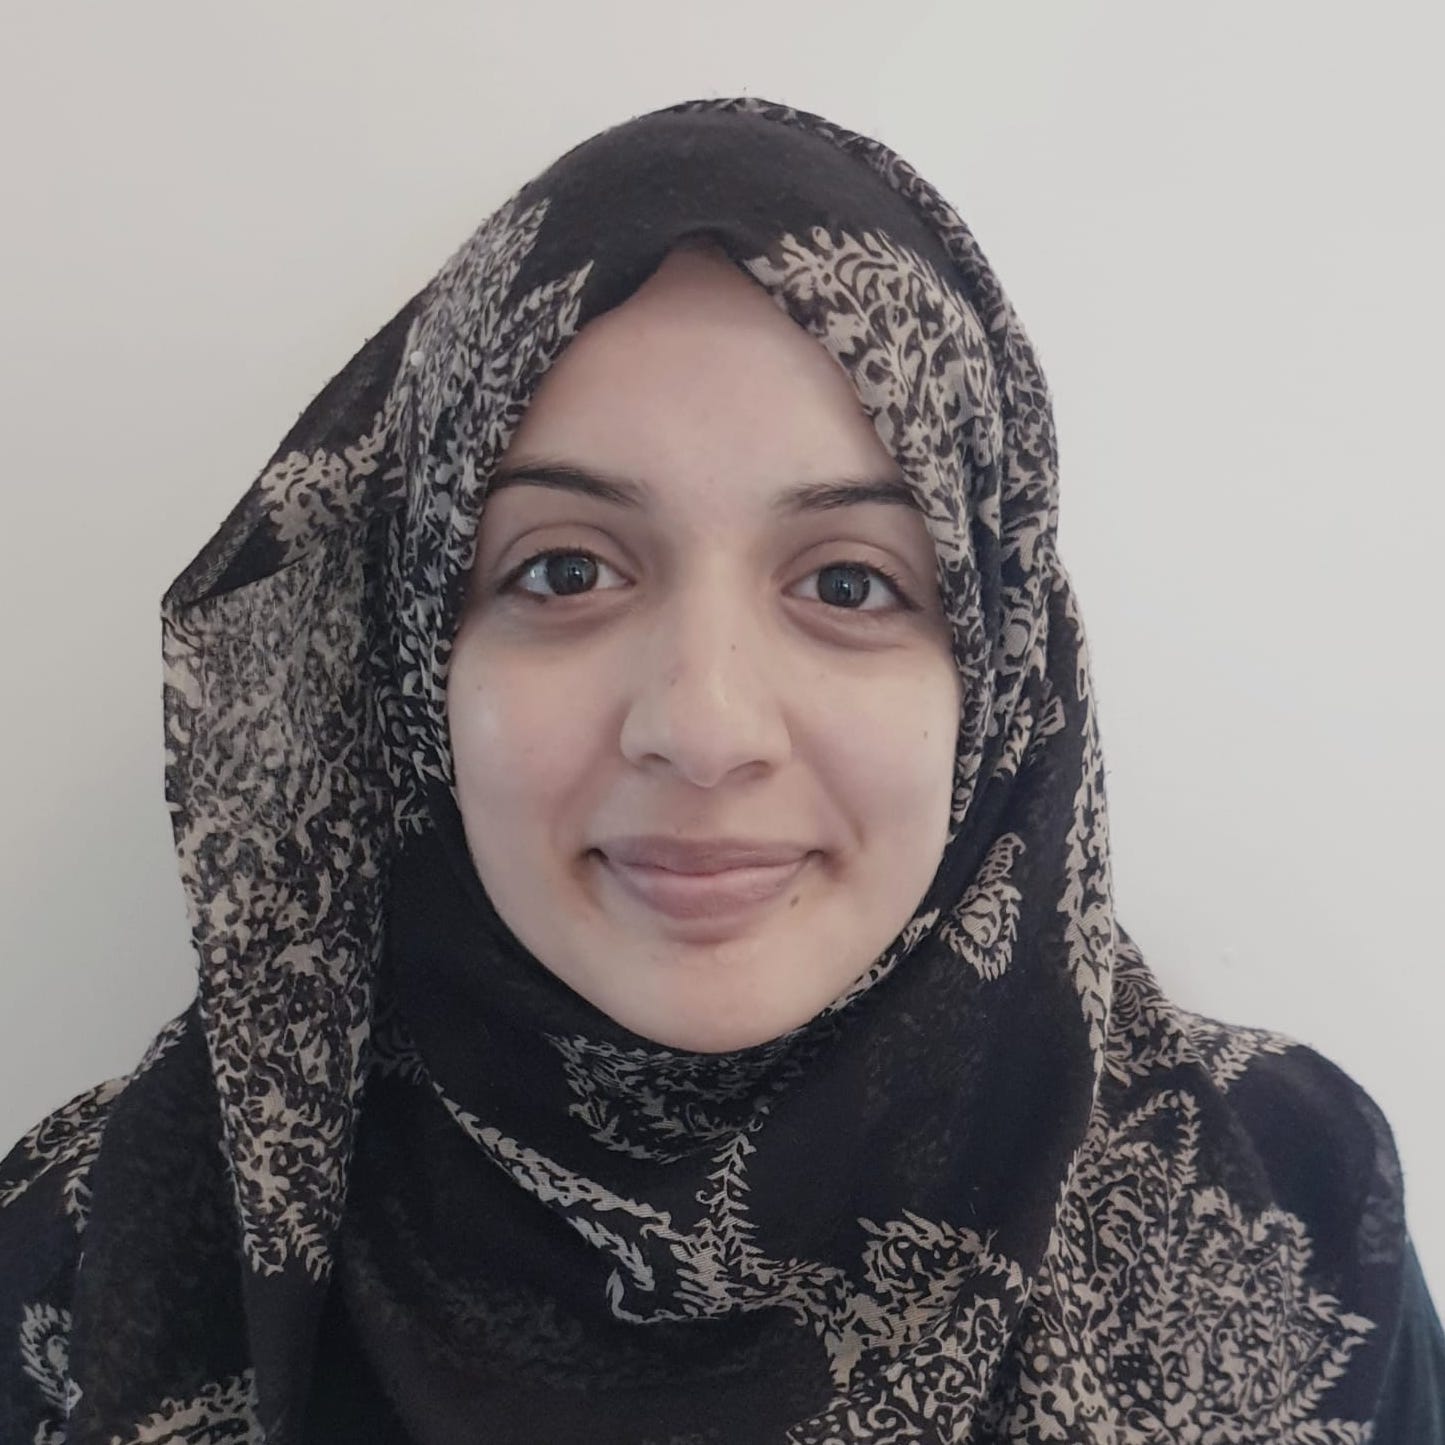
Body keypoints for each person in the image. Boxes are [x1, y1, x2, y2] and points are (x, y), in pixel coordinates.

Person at [0, 95, 1439, 1444]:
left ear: (996, 677)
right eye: (562, 568)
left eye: (851, 581)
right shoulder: (84, 1244)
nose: (702, 723)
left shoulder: (1296, 1204)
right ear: (414, 660)